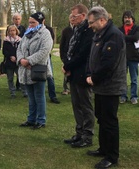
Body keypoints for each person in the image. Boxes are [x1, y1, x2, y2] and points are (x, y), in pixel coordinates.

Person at [86, 6, 126, 168]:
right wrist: (90, 73)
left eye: (91, 22)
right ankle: (103, 148)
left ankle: (111, 156)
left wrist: (94, 78)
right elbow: (93, 57)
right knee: (101, 117)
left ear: (102, 20)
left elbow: (108, 64)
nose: (90, 26)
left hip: (110, 85)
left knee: (109, 121)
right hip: (101, 86)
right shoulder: (100, 34)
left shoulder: (114, 36)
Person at [62, 4, 95, 148]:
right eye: (71, 16)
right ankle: (79, 133)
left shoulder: (89, 31)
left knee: (85, 105)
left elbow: (83, 54)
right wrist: (67, 65)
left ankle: (87, 136)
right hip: (73, 73)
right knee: (76, 104)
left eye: (74, 16)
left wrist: (68, 66)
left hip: (83, 72)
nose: (72, 19)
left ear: (83, 16)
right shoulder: (75, 30)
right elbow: (70, 50)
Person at [17, 12, 53, 129]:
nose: (31, 24)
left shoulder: (45, 34)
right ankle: (31, 119)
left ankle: (41, 120)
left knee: (39, 96)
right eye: (30, 22)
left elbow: (44, 51)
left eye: (33, 22)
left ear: (41, 22)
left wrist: (28, 61)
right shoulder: (27, 33)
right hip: (26, 70)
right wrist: (21, 59)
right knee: (31, 97)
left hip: (38, 70)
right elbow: (19, 48)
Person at [119, 11, 139, 104]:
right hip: (122, 57)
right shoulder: (120, 29)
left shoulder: (136, 28)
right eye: (125, 17)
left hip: (134, 57)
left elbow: (135, 38)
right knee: (122, 78)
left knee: (134, 79)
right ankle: (123, 96)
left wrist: (124, 37)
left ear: (132, 19)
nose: (127, 19)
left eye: (129, 17)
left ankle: (134, 96)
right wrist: (128, 38)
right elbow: (118, 39)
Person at [2, 25, 27, 98]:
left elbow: (23, 50)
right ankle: (12, 92)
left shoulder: (20, 40)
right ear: (8, 32)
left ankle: (24, 92)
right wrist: (10, 56)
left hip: (18, 62)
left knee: (21, 77)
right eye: (10, 31)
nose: (12, 32)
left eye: (13, 30)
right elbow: (4, 51)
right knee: (10, 78)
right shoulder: (6, 41)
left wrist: (17, 57)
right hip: (9, 62)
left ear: (16, 31)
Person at [6, 13, 26, 92]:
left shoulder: (23, 28)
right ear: (13, 20)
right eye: (15, 19)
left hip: (20, 54)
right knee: (10, 76)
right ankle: (13, 89)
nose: (17, 20)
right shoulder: (9, 28)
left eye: (18, 19)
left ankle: (20, 86)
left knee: (20, 73)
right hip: (10, 57)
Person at [43, 20, 60, 104]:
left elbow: (51, 42)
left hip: (46, 56)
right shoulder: (32, 29)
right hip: (36, 58)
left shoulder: (49, 29)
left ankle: (52, 96)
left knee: (50, 76)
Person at [59, 16, 74, 95]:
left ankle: (73, 88)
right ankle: (66, 88)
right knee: (66, 72)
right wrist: (62, 56)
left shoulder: (80, 29)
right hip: (67, 54)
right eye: (71, 18)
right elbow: (62, 44)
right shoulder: (66, 30)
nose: (72, 19)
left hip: (75, 55)